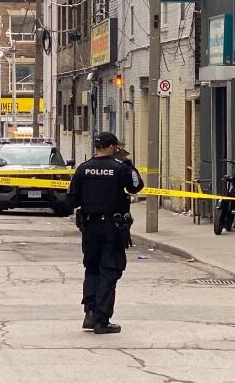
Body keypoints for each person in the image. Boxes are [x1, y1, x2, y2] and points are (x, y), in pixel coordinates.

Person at [67, 131, 144, 334]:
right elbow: (137, 187)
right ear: (112, 147)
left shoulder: (83, 169)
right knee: (109, 270)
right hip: (112, 228)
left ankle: (90, 313)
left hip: (90, 228)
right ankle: (102, 319)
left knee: (91, 269)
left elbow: (71, 200)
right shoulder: (119, 169)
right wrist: (129, 165)